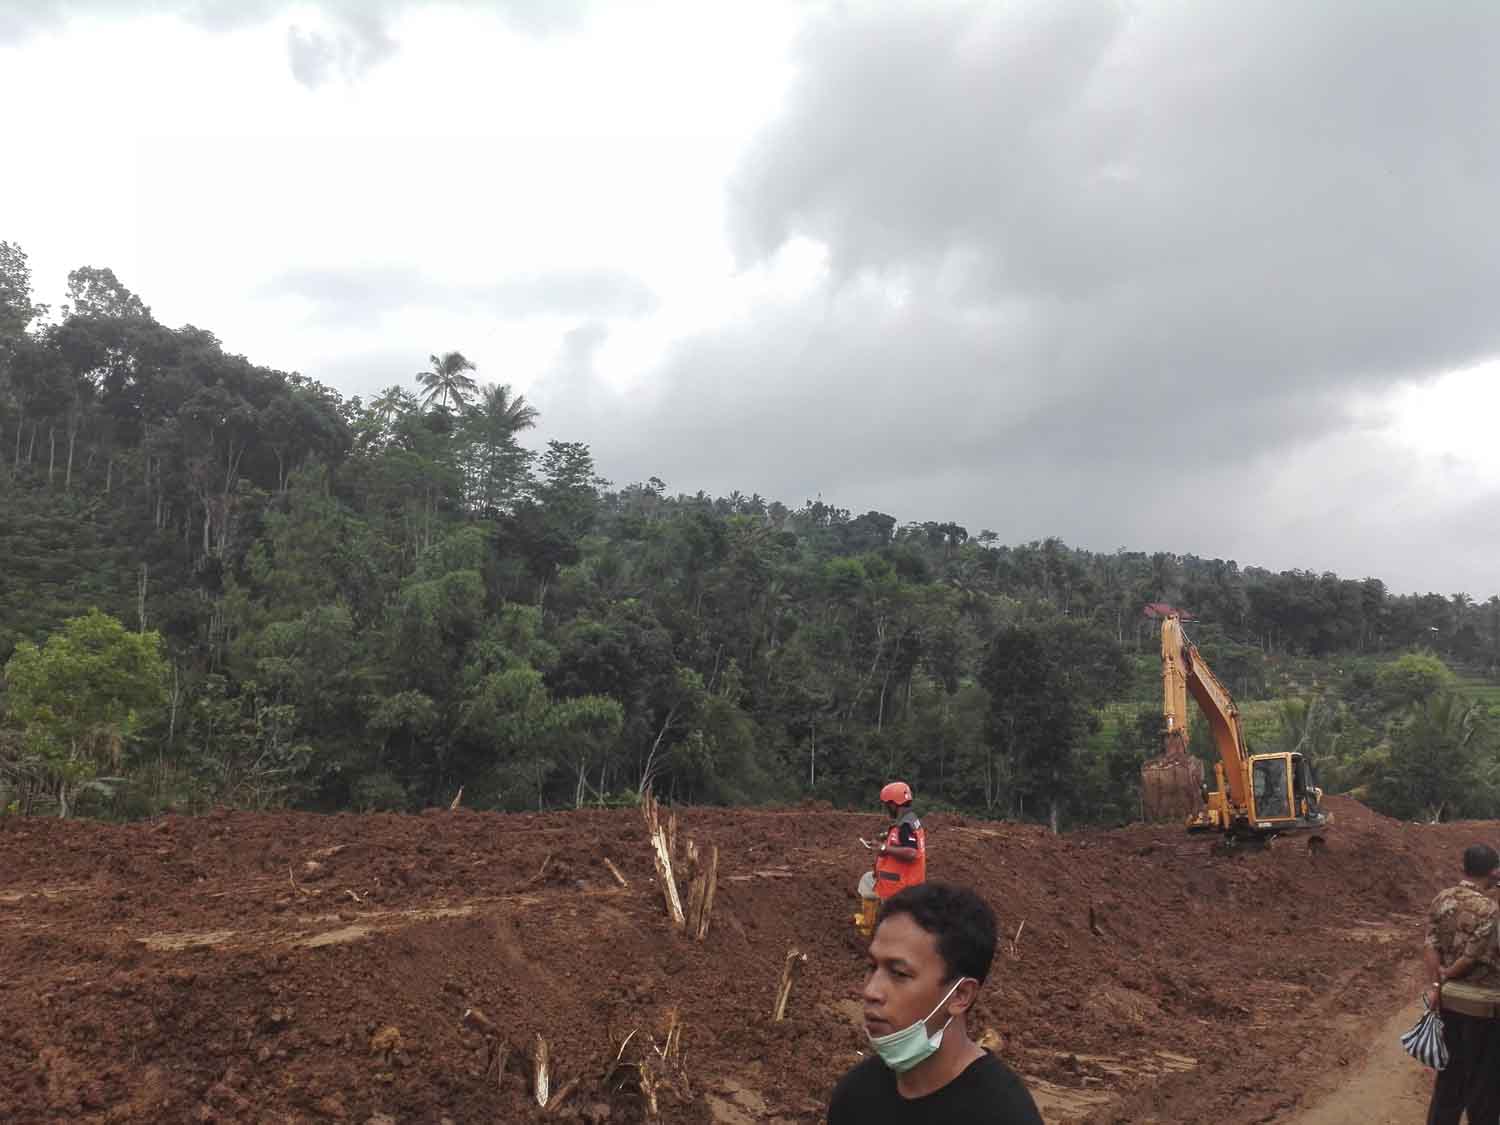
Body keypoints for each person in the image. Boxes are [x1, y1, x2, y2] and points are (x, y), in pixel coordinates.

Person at [828, 882, 1043, 1123]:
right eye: (872, 967)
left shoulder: (1004, 1115)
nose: (870, 991)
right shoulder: (855, 1097)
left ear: (960, 995)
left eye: (899, 973)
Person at [1423, 843, 1500, 1125]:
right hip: (1484, 1008)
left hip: (1449, 1002)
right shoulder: (1489, 909)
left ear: (1463, 868)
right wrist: (1448, 974)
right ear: (1493, 872)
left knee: (1450, 1075)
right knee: (1485, 1083)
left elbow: (1430, 945)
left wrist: (1436, 985)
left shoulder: (1441, 899)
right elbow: (1472, 956)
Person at [872, 781, 926, 900]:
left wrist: (884, 848)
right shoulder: (910, 820)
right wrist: (886, 837)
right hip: (903, 889)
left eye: (887, 805)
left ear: (893, 804)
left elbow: (912, 852)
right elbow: (902, 840)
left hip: (902, 892)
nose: (887, 809)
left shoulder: (905, 825)